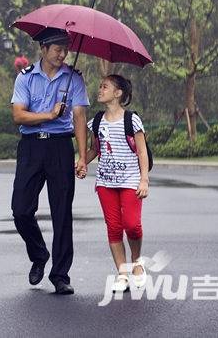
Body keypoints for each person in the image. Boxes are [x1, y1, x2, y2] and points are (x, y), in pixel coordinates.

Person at [10, 27, 89, 295]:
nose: (63, 54)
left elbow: (79, 117)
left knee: (62, 213)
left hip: (59, 148)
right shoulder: (25, 78)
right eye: (57, 49)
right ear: (43, 49)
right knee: (21, 210)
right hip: (31, 148)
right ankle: (39, 254)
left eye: (65, 49)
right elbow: (19, 116)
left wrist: (81, 155)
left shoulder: (74, 78)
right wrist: (49, 114)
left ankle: (60, 275)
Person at [77, 74, 150, 293]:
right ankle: (122, 273)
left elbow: (142, 151)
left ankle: (137, 263)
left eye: (105, 87)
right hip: (105, 184)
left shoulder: (131, 120)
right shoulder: (96, 122)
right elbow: (94, 149)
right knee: (114, 228)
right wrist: (82, 162)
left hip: (130, 181)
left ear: (118, 93)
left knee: (132, 225)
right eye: (100, 86)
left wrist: (144, 179)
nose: (100, 90)